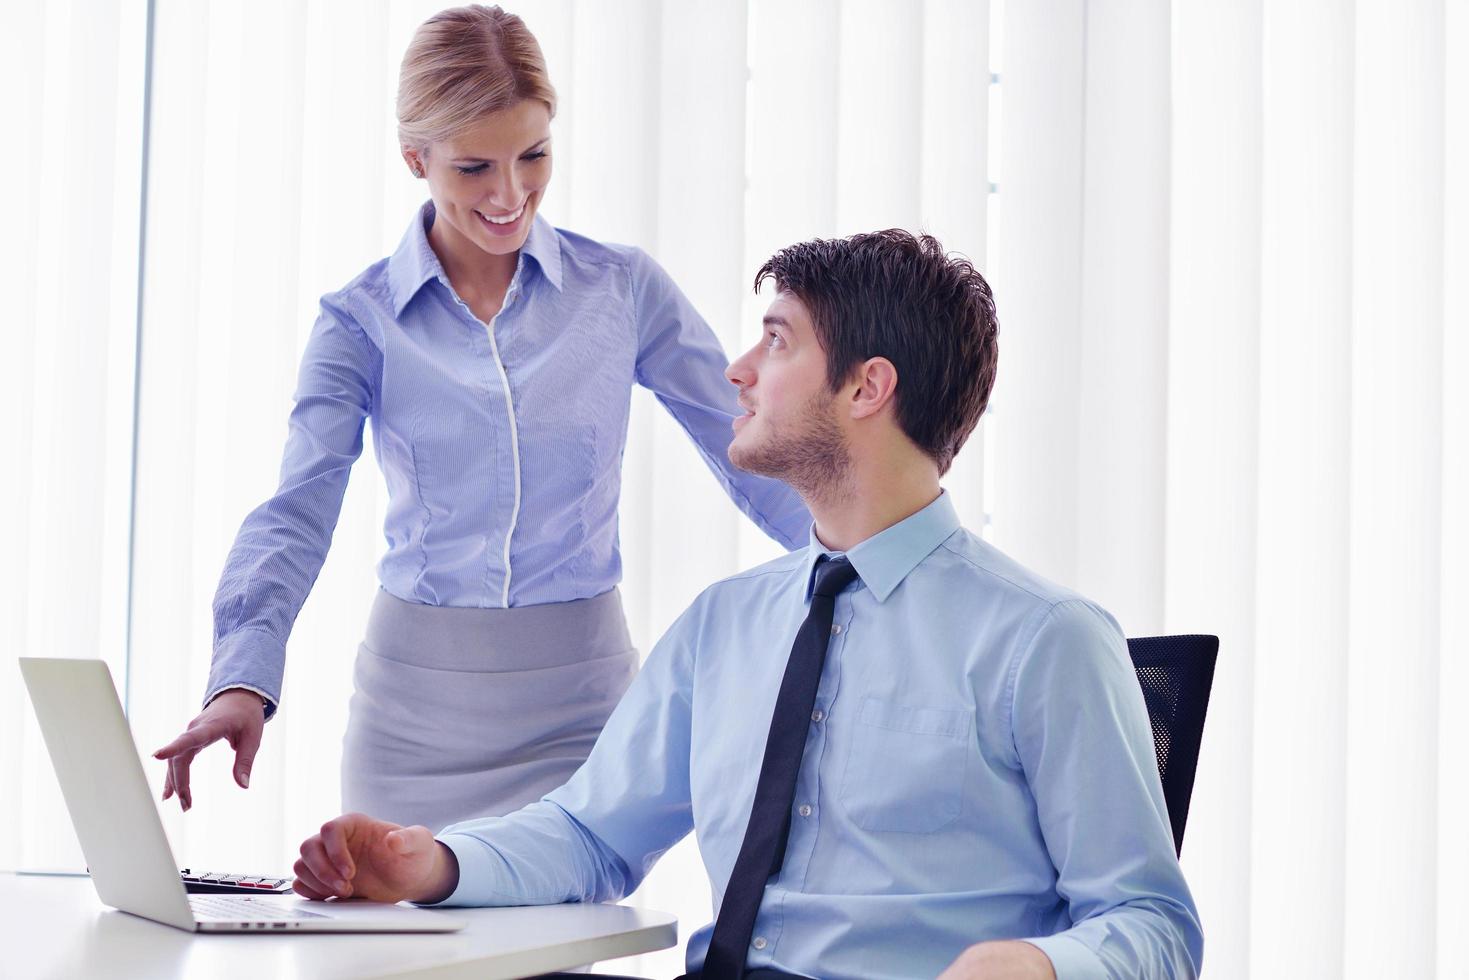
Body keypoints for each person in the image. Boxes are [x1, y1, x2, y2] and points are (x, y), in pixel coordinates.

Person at [291, 230, 1205, 979]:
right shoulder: (723, 625)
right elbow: (588, 834)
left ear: (865, 386)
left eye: (776, 340)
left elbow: (1152, 925)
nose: (736, 370)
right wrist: (436, 864)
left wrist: (1035, 969)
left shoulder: (1042, 642)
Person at [152, 4, 808, 834]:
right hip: (412, 724)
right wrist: (240, 679)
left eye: (533, 156)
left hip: (584, 717)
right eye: (472, 168)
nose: (509, 195)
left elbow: (750, 446)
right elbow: (297, 508)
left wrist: (880, 567)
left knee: (559, 956)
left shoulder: (623, 290)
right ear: (414, 157)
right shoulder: (359, 321)